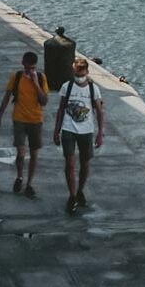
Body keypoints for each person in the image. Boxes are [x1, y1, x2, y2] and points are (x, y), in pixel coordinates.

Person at [0, 50, 49, 198]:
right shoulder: (16, 77)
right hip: (19, 119)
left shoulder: (41, 78)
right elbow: (6, 98)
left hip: (36, 120)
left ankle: (29, 183)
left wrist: (35, 83)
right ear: (23, 64)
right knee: (21, 152)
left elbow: (44, 101)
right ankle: (19, 176)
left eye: (33, 68)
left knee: (34, 154)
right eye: (28, 68)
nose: (30, 71)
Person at [53, 57, 104, 214]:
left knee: (85, 163)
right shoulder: (66, 87)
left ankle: (80, 189)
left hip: (86, 130)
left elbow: (99, 112)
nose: (78, 76)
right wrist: (57, 130)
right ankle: (72, 195)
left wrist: (100, 133)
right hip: (69, 129)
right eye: (76, 73)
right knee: (70, 164)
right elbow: (61, 109)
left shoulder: (93, 89)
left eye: (81, 73)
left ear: (87, 72)